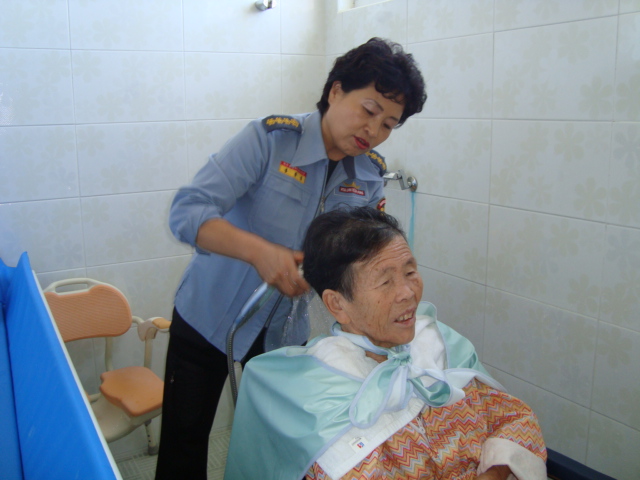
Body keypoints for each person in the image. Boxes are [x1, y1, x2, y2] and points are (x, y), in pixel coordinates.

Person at [155, 38, 427, 479]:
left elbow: (357, 260)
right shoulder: (270, 140)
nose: (374, 130)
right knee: (183, 445)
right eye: (369, 110)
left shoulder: (370, 175)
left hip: (284, 333)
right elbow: (187, 211)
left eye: (389, 124)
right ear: (335, 91)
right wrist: (260, 253)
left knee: (280, 447)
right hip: (208, 316)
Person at [225, 207, 547, 480]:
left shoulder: (437, 341)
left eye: (410, 272)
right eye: (385, 281)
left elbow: (514, 418)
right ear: (338, 304)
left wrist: (494, 471)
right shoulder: (317, 395)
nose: (408, 293)